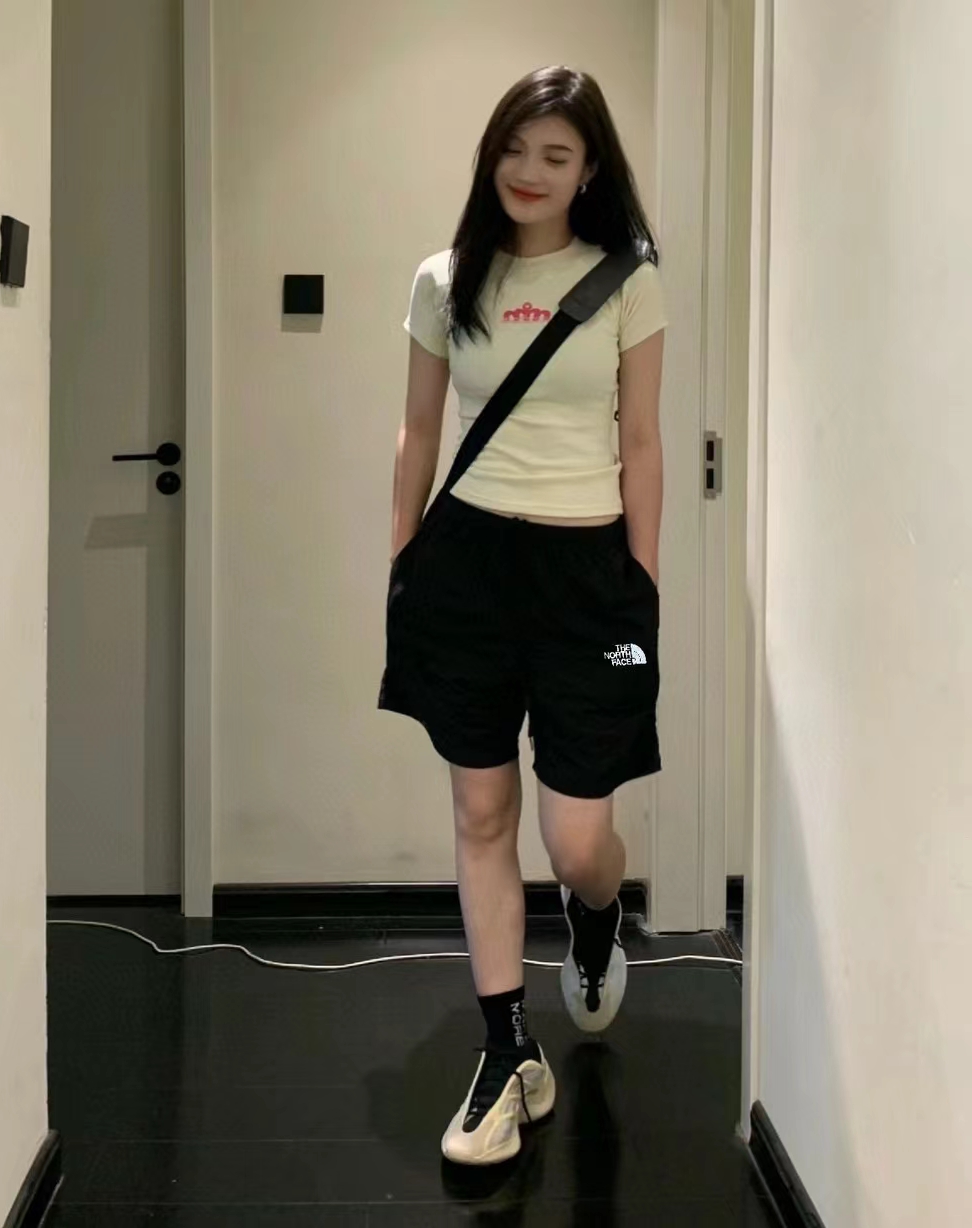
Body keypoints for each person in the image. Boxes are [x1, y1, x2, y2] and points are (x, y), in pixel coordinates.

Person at [380, 65, 666, 1166]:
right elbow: (418, 430)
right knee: (482, 811)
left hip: (589, 572)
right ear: (490, 154)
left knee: (577, 837)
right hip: (469, 564)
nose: (529, 171)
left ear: (589, 170)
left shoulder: (626, 279)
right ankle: (507, 1049)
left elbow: (641, 440)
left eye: (555, 154)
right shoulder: (445, 277)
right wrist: (403, 562)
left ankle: (596, 911)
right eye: (514, 148)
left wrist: (641, 584)